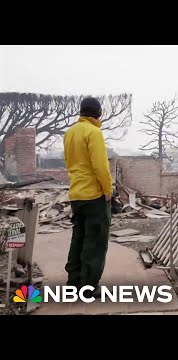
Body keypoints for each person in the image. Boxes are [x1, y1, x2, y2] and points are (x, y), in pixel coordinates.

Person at [63, 97, 113, 297]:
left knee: (79, 238)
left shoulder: (70, 133)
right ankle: (89, 286)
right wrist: (108, 192)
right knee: (95, 241)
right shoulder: (94, 133)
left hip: (76, 194)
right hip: (94, 196)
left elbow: (70, 164)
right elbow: (101, 167)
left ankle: (73, 281)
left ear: (82, 112)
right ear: (98, 114)